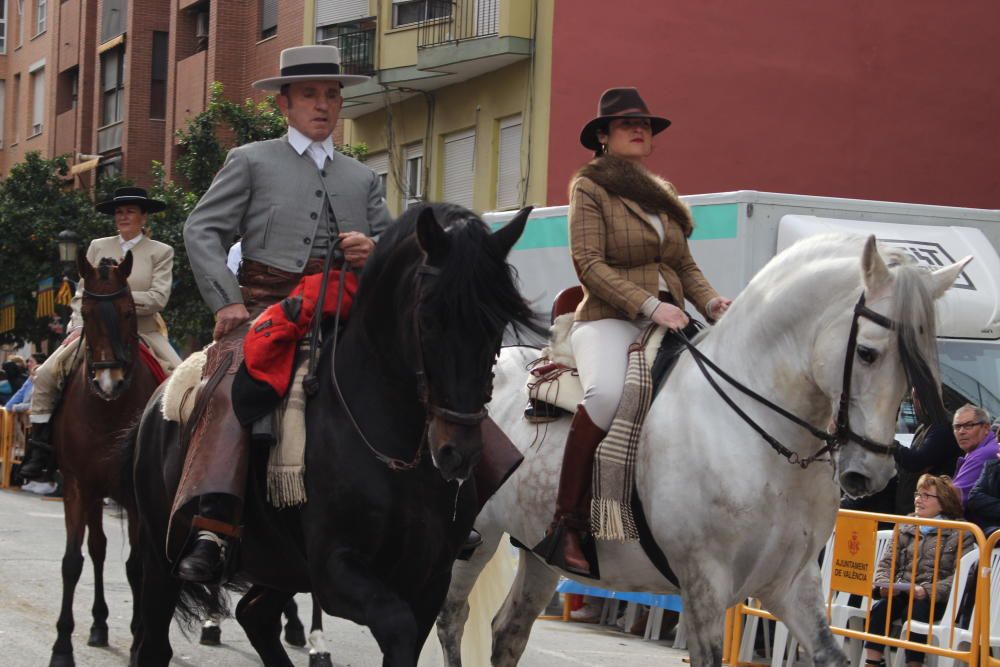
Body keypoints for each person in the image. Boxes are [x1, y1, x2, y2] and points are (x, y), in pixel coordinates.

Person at [175, 44, 390, 582]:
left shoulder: (363, 178)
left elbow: (395, 244)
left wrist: (375, 251)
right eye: (311, 95)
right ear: (285, 105)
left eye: (332, 95)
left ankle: (445, 505)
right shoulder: (250, 160)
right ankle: (213, 525)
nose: (323, 105)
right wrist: (225, 300)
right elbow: (202, 230)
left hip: (343, 308)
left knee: (415, 373)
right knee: (230, 383)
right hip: (265, 305)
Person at [533, 88, 731, 575]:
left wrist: (711, 301)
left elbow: (683, 264)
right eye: (627, 124)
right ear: (603, 137)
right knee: (604, 397)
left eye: (645, 124)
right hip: (608, 318)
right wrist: (647, 305)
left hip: (672, 316)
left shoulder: (661, 196)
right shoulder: (589, 188)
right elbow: (588, 263)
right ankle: (568, 522)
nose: (640, 130)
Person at [19, 187, 183, 480]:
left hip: (143, 330)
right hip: (94, 330)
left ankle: (176, 453)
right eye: (119, 212)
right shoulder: (97, 246)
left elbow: (159, 298)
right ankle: (40, 450)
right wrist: (78, 325)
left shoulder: (161, 252)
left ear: (144, 216)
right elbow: (82, 294)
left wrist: (119, 302)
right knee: (45, 375)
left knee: (180, 378)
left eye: (130, 211)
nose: (123, 217)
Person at [863, 474, 973, 667]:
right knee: (881, 608)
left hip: (936, 598)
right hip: (904, 590)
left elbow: (960, 578)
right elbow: (887, 562)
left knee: (916, 611)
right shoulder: (906, 523)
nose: (918, 500)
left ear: (944, 502)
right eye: (917, 494)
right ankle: (872, 662)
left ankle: (914, 664)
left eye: (926, 496)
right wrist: (884, 584)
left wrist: (927, 591)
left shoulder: (961, 531)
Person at [950, 404, 997, 505]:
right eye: (957, 427)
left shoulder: (984, 454)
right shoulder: (981, 448)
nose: (961, 431)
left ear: (986, 428)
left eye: (968, 425)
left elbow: (952, 498)